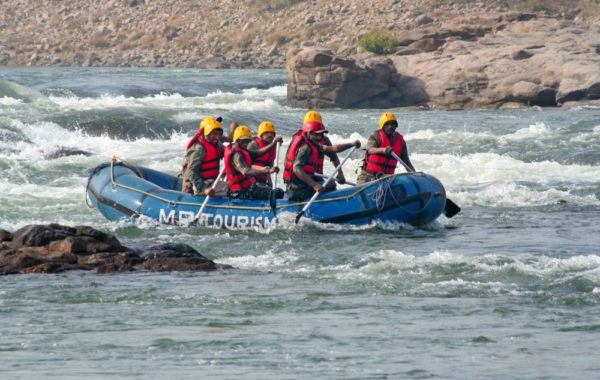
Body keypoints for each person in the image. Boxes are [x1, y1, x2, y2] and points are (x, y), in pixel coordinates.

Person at [283, 119, 361, 201]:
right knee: (331, 184)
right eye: (316, 134)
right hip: (297, 189)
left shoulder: (314, 144)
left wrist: (351, 144)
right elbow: (296, 168)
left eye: (321, 134)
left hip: (301, 186)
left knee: (328, 183)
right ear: (308, 133)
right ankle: (328, 205)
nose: (319, 137)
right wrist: (314, 185)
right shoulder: (305, 148)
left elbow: (333, 149)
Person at [224, 125, 283, 200]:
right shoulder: (236, 155)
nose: (247, 142)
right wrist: (267, 170)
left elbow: (258, 153)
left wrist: (274, 143)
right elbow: (246, 171)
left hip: (247, 188)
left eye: (248, 140)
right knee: (275, 193)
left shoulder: (243, 149)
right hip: (238, 192)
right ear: (237, 139)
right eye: (244, 140)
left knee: (279, 192)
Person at [357, 112, 415, 184]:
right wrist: (383, 150)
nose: (390, 126)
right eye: (387, 124)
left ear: (395, 126)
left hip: (387, 179)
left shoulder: (401, 142)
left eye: (392, 124)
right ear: (382, 126)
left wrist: (415, 176)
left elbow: (407, 162)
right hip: (368, 176)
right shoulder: (376, 136)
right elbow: (370, 149)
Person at [181, 117, 226, 197]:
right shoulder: (199, 149)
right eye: (214, 133)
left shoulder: (216, 144)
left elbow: (228, 153)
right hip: (202, 184)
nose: (217, 137)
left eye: (219, 134)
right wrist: (204, 189)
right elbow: (191, 172)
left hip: (211, 180)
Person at [302, 110, 347, 185]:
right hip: (302, 178)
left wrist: (340, 173)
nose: (317, 136)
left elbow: (333, 156)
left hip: (317, 176)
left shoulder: (324, 140)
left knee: (332, 185)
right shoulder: (300, 141)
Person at [247, 121, 279, 186]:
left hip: (264, 178)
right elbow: (247, 165)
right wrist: (263, 169)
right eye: (267, 133)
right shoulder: (253, 144)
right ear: (261, 134)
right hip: (253, 177)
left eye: (272, 133)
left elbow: (269, 164)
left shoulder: (272, 147)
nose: (270, 135)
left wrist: (272, 170)